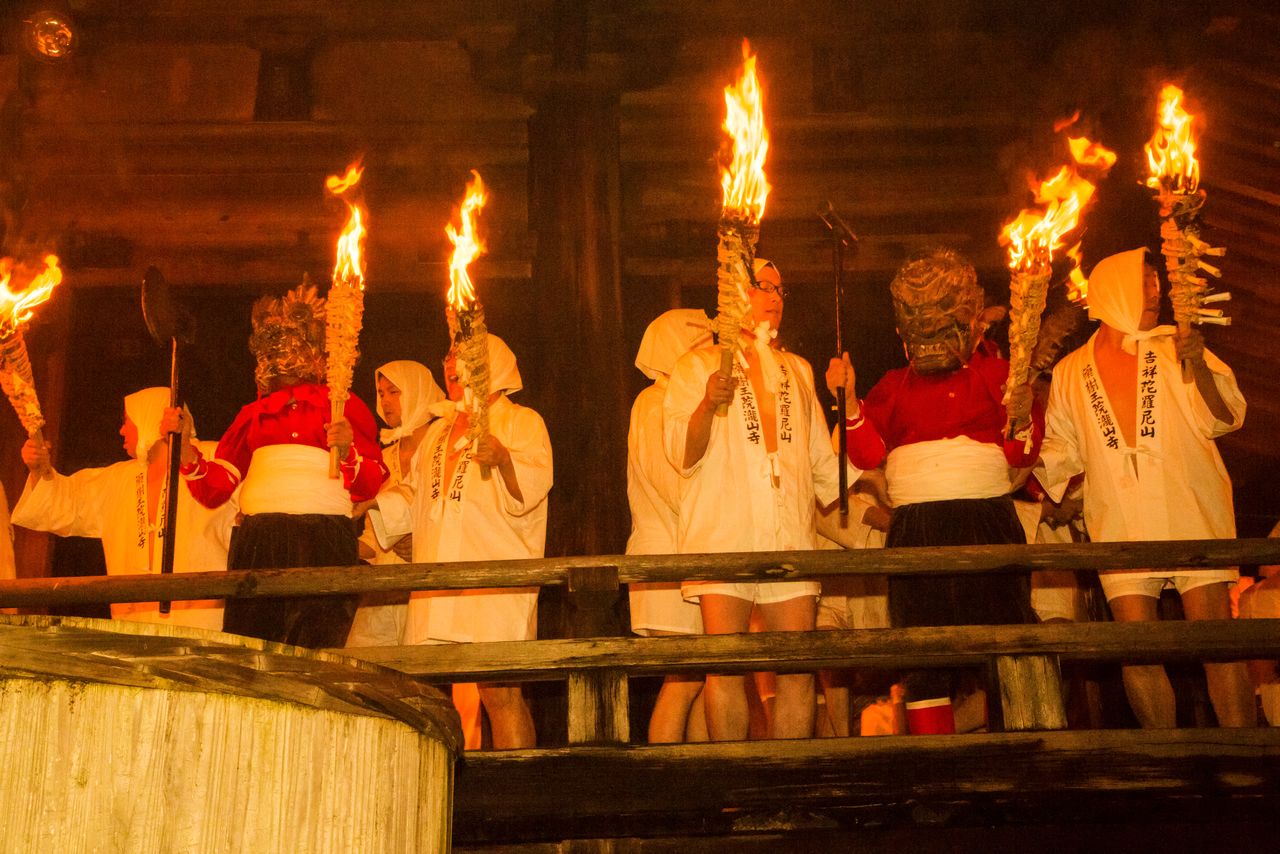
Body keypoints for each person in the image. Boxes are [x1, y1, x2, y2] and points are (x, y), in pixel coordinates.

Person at [1035, 247, 1255, 728]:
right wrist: (1015, 443)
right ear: (1112, 290)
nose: (1155, 294)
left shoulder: (1176, 343)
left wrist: (1197, 366)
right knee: (1138, 651)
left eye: (1158, 285)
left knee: (1216, 646)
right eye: (1145, 283)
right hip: (1121, 520)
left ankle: (1245, 760)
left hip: (1190, 507)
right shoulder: (1072, 370)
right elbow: (1059, 451)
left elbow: (1222, 418)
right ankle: (1165, 760)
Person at [826, 247, 1042, 735]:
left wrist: (1024, 413)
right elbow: (864, 455)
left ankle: (1019, 754)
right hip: (916, 527)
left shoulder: (997, 376)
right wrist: (850, 399)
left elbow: (1019, 456)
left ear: (969, 324)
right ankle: (935, 764)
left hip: (985, 519)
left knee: (1006, 644)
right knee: (923, 651)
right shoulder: (893, 386)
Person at [664, 259, 854, 741]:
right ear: (733, 294)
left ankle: (786, 795)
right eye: (762, 286)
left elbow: (823, 469)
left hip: (787, 530)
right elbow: (681, 454)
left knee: (796, 671)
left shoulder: (797, 368)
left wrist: (848, 404)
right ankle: (735, 786)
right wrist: (708, 403)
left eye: (780, 288)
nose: (774, 297)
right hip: (724, 531)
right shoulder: (696, 365)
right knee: (725, 669)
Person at [166, 283, 387, 648]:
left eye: (289, 340)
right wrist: (186, 451)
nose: (277, 351)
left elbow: (369, 484)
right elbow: (216, 488)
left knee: (316, 649)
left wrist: (347, 451)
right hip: (259, 539)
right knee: (253, 648)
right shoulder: (253, 415)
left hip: (326, 538)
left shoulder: (342, 406)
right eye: (269, 343)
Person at [401, 334, 552, 749]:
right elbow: (413, 498)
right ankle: (448, 795)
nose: (451, 364)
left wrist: (504, 460)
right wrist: (369, 505)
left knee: (499, 692)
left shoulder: (521, 421)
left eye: (463, 356)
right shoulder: (437, 430)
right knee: (432, 695)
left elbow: (534, 487)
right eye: (448, 354)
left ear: (493, 366)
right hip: (437, 579)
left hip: (493, 578)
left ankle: (516, 798)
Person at [13, 387, 232, 629]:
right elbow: (64, 503)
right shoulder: (118, 480)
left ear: (148, 416)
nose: (121, 430)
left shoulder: (214, 457)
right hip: (134, 626)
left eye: (127, 421)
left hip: (204, 626)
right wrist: (39, 470)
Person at [628, 308, 713, 743]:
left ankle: (699, 778)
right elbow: (672, 481)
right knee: (683, 680)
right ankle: (663, 775)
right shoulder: (655, 403)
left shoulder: (666, 401)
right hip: (668, 558)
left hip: (683, 556)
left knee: (698, 680)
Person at [347, 360, 445, 648]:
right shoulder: (383, 458)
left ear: (416, 391)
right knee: (361, 665)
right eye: (381, 393)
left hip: (426, 582)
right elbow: (372, 541)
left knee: (421, 676)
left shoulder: (442, 448)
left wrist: (423, 540)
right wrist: (329, 542)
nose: (386, 400)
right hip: (383, 587)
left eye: (394, 392)